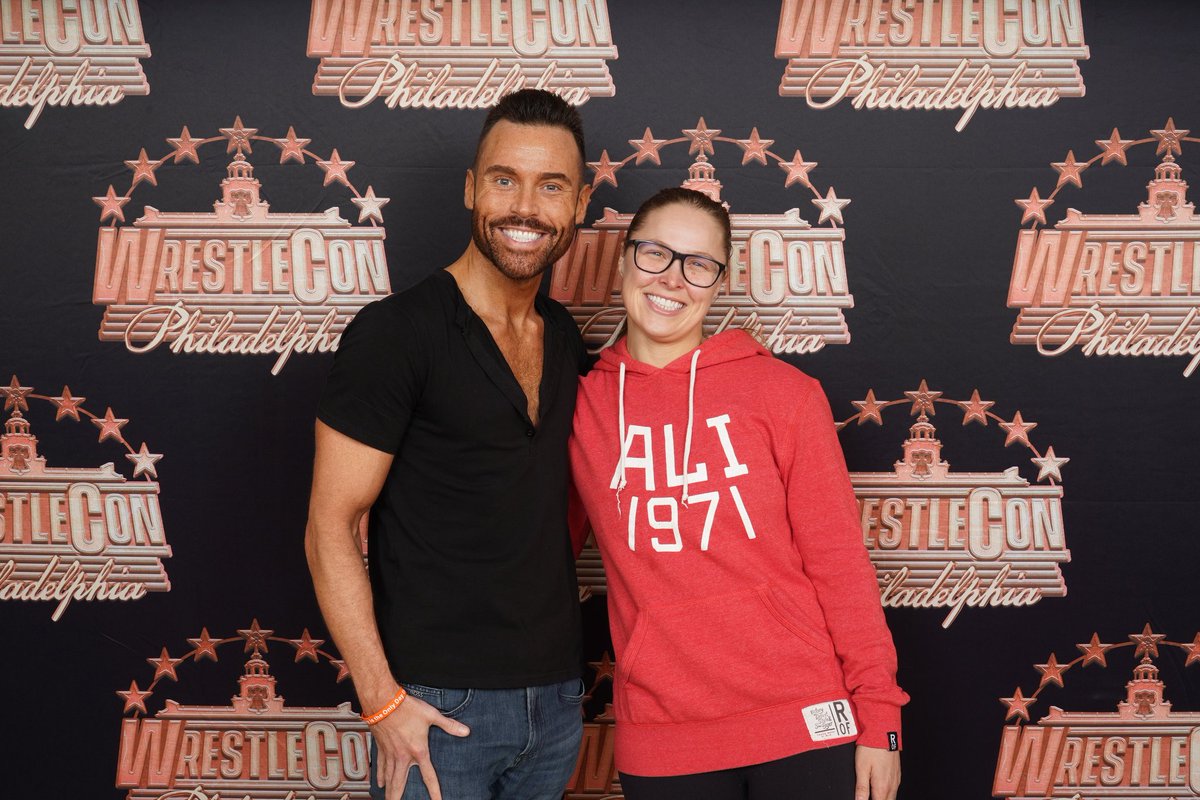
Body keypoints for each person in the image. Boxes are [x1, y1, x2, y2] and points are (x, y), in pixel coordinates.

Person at [568, 187, 908, 800]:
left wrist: (880, 720)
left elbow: (840, 569)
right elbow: (533, 554)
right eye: (655, 254)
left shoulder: (785, 395)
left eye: (698, 263)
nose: (673, 279)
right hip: (666, 739)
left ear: (720, 282)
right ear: (623, 260)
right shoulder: (583, 409)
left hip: (805, 723)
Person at [305, 89, 593, 800]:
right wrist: (381, 700)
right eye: (504, 179)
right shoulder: (396, 333)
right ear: (470, 187)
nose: (525, 208)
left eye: (550, 185)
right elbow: (328, 527)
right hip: (437, 708)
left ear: (579, 204)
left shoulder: (565, 339)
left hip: (556, 703)